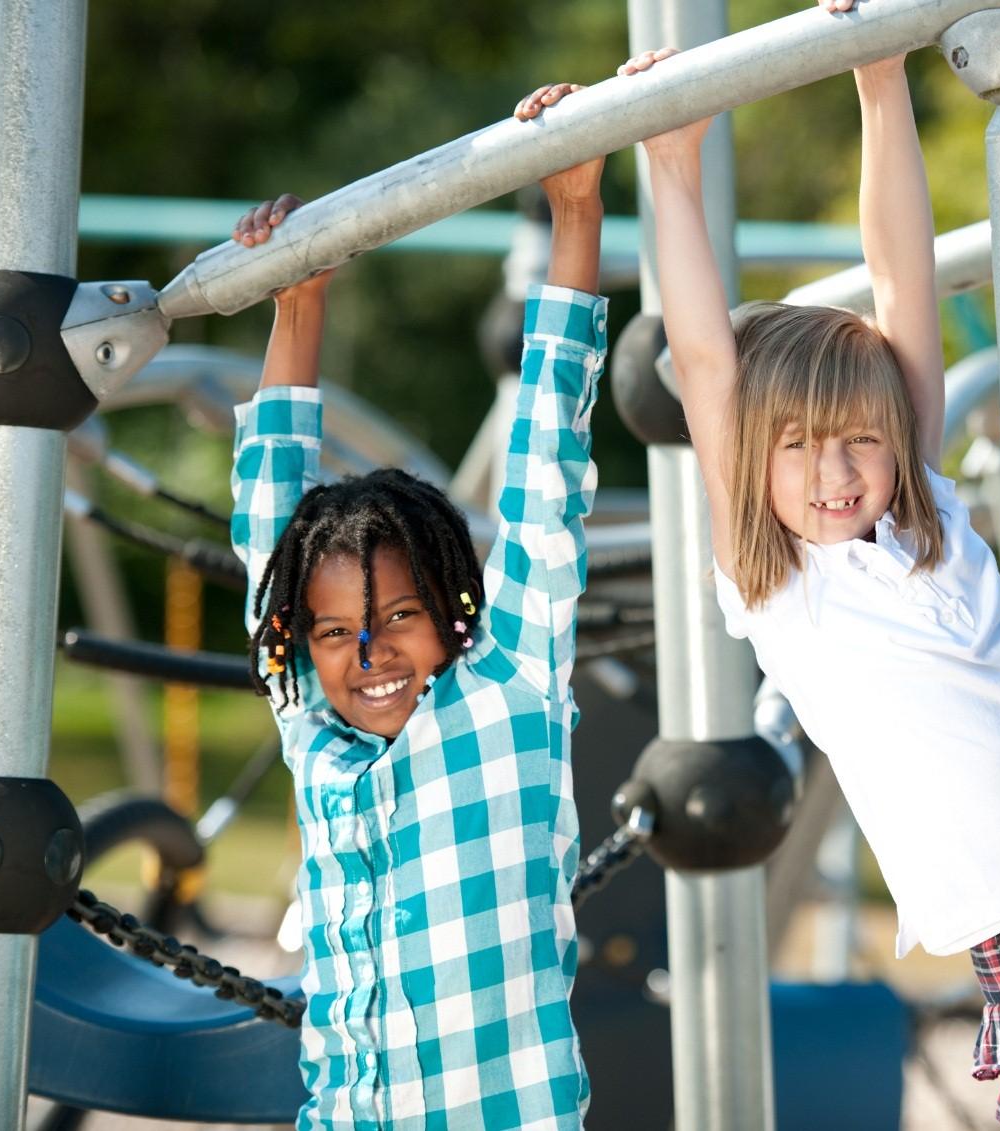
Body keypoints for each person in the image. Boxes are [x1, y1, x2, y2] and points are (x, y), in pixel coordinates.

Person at [552, 2, 1000, 1124]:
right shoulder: (783, 583)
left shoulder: (922, 519)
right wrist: (669, 166)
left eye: (860, 439)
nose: (835, 473)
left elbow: (899, 273)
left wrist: (878, 84)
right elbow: (709, 359)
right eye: (796, 448)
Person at [228, 81, 607, 1129]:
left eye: (399, 616)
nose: (370, 652)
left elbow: (544, 475)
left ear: (454, 607)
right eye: (340, 632)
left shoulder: (507, 691)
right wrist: (295, 299)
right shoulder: (309, 721)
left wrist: (575, 212)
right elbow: (269, 530)